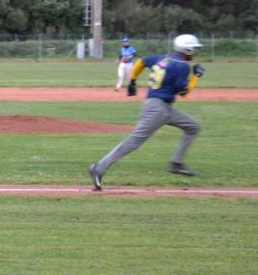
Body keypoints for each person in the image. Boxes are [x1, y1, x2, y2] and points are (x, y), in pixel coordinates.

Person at [88, 34, 205, 191]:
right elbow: (184, 93)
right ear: (187, 49)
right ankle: (99, 168)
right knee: (134, 141)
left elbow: (141, 62)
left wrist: (133, 80)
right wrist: (196, 76)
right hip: (157, 110)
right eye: (194, 49)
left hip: (163, 108)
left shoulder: (163, 58)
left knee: (193, 127)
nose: (195, 52)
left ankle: (176, 163)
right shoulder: (182, 65)